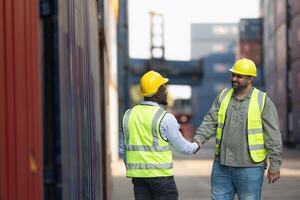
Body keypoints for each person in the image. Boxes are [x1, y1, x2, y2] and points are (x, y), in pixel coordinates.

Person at [193, 58, 282, 200]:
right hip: (221, 165)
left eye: (239, 76)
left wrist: (275, 165)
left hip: (250, 167)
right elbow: (209, 121)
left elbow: (272, 134)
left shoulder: (262, 100)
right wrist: (198, 140)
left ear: (250, 78)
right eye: (233, 75)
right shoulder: (223, 96)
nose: (234, 79)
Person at [119, 70, 200, 200]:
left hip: (139, 179)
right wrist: (195, 146)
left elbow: (123, 149)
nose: (166, 91)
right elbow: (182, 147)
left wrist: (136, 167)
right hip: (161, 179)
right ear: (157, 93)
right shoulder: (165, 118)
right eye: (163, 88)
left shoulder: (128, 115)